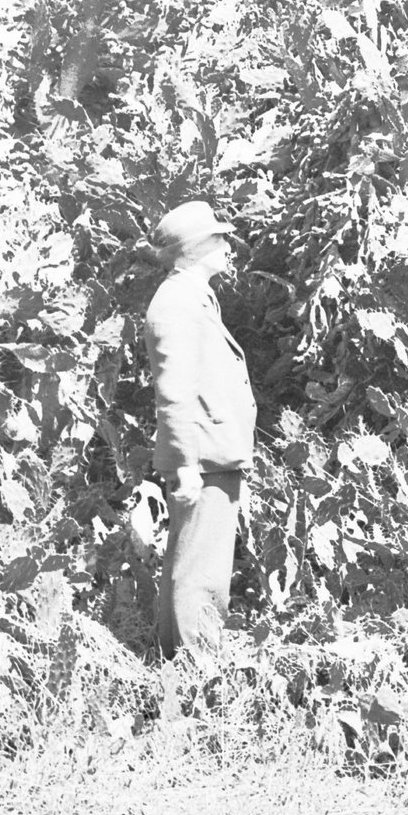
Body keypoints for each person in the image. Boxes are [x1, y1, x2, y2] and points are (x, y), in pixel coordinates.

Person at [142, 199, 257, 660]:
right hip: (204, 456)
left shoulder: (192, 296)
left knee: (188, 562)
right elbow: (174, 394)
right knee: (200, 574)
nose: (228, 245)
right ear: (192, 249)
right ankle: (198, 674)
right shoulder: (178, 303)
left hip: (211, 452)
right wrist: (186, 464)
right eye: (218, 237)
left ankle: (172, 662)